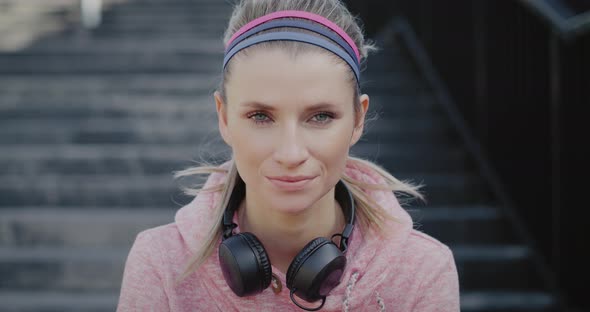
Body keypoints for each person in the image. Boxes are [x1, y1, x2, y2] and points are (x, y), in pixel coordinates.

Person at [116, 0, 460, 311]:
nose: (291, 153)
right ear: (223, 118)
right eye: (261, 117)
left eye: (320, 116)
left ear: (358, 119)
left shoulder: (422, 272)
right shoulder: (160, 264)